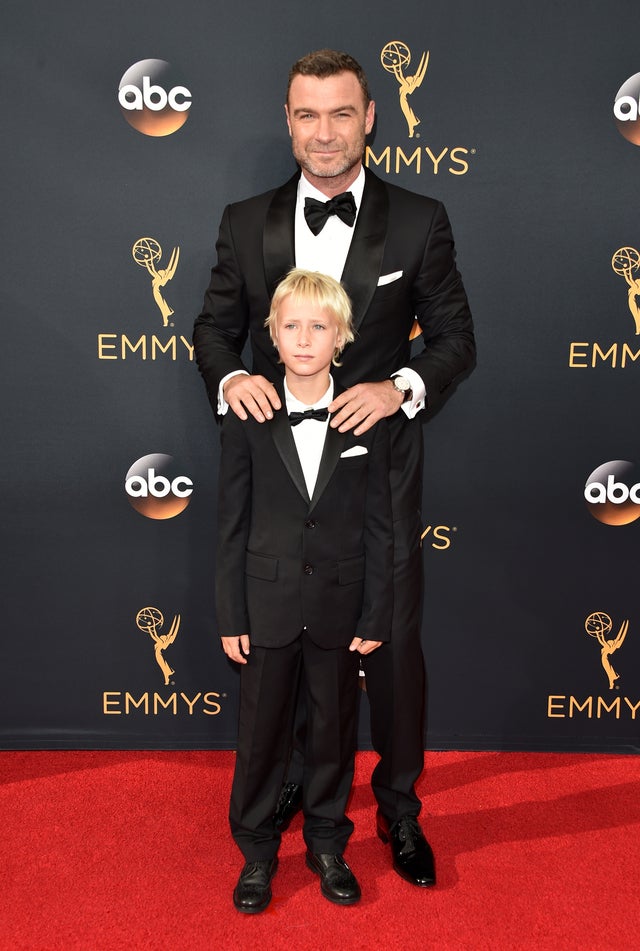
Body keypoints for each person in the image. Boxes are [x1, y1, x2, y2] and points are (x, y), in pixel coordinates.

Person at [194, 48, 476, 889]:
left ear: (370, 118)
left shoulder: (421, 219)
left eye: (341, 113)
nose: (325, 132)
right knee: (282, 645)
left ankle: (397, 808)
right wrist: (234, 375)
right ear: (288, 121)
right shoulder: (247, 222)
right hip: (278, 474)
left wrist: (401, 387)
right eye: (308, 115)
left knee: (388, 651)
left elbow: (458, 341)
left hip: (379, 477)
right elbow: (211, 332)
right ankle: (288, 798)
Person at [216, 268, 393, 913]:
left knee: (332, 731)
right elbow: (230, 524)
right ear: (273, 334)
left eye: (319, 327)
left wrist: (375, 610)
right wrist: (231, 612)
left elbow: (381, 527)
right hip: (266, 607)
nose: (304, 338)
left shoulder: (365, 419)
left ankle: (326, 842)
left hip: (340, 609)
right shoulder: (247, 416)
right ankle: (257, 853)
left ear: (341, 338)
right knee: (260, 735)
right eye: (291, 326)